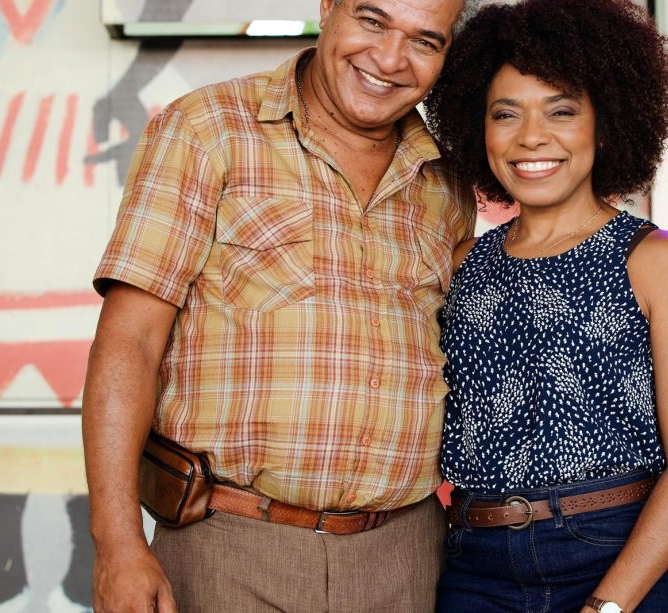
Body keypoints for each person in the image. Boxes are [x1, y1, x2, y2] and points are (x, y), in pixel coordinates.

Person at [81, 0, 477, 611]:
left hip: (406, 557)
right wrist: (117, 543)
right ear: (328, 7)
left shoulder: (446, 179)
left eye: (425, 41)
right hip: (231, 546)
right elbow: (129, 342)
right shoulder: (207, 129)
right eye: (372, 21)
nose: (390, 58)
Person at [423, 0, 668, 611]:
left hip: (614, 552)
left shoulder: (658, 259)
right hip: (475, 565)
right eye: (505, 114)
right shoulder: (462, 264)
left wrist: (606, 607)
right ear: (479, 130)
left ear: (605, 124)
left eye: (561, 111)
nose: (531, 136)